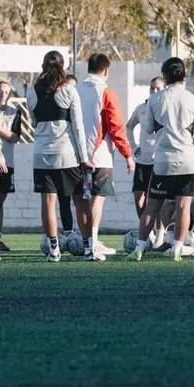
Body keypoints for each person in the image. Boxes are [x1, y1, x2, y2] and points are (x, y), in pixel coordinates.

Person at [128, 57, 194, 262]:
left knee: (152, 207)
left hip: (163, 162)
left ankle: (138, 249)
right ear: (185, 76)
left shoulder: (154, 100)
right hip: (188, 160)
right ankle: (177, 249)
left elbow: (148, 129)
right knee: (183, 208)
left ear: (165, 76)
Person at [29, 53, 90, 262]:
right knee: (80, 201)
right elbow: (78, 127)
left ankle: (54, 250)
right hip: (67, 156)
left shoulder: (32, 92)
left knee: (47, 203)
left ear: (42, 66)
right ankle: (89, 249)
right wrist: (85, 158)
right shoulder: (69, 91)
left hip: (41, 155)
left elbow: (34, 121)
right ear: (64, 67)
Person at [75, 53, 135, 261]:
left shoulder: (75, 90)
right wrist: (127, 155)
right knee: (97, 199)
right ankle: (92, 242)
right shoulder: (106, 92)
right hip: (99, 155)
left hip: (75, 154)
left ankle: (87, 242)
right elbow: (116, 126)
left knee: (81, 200)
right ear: (106, 71)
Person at [0, 80, 23, 252]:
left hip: (8, 161)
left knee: (1, 201)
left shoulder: (14, 113)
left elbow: (15, 137)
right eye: (0, 91)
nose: (3, 94)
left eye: (6, 92)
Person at [127, 77, 166, 219]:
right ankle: (146, 232)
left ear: (165, 89)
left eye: (158, 88)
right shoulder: (141, 108)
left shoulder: (166, 109)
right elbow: (129, 127)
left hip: (160, 161)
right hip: (143, 161)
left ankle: (160, 235)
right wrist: (134, 146)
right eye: (151, 88)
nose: (154, 91)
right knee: (139, 196)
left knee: (158, 200)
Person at [56, 74, 79, 235]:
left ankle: (90, 237)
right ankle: (68, 233)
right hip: (65, 157)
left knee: (83, 199)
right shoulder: (60, 111)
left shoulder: (80, 108)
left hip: (81, 159)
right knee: (64, 199)